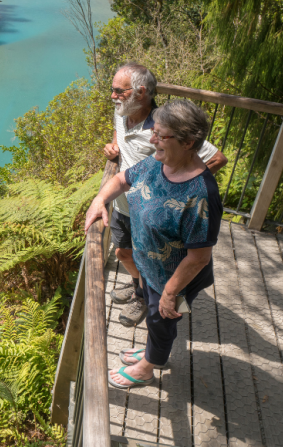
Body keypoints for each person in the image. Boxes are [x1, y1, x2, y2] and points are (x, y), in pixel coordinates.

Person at [85, 99, 222, 388]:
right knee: (153, 314)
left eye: (161, 135)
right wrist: (99, 201)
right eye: (154, 131)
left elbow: (199, 257)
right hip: (149, 265)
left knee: (162, 321)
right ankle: (151, 353)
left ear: (188, 142)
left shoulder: (200, 195)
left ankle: (148, 367)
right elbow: (123, 179)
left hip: (175, 278)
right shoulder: (158, 161)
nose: (152, 139)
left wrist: (171, 293)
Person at [104, 63, 227, 327]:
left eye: (118, 91)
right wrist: (115, 146)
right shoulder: (121, 111)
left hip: (155, 214)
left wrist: (181, 188)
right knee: (125, 254)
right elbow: (120, 134)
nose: (112, 96)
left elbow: (216, 158)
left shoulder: (165, 127)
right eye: (112, 90)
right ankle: (141, 291)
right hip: (124, 204)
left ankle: (164, 314)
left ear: (140, 92)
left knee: (165, 273)